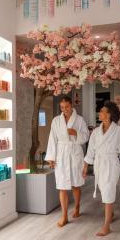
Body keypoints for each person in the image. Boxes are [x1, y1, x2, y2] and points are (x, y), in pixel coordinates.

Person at [82, 101, 120, 237]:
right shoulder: (96, 132)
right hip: (99, 164)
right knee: (105, 191)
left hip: (111, 164)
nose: (100, 113)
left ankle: (106, 225)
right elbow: (90, 150)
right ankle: (111, 213)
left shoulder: (118, 131)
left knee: (109, 191)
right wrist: (86, 165)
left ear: (109, 114)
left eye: (102, 111)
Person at [45, 96, 89, 227]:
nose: (65, 110)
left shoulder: (80, 120)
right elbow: (52, 139)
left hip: (74, 153)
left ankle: (76, 206)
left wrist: (75, 132)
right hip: (61, 154)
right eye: (62, 108)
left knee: (76, 184)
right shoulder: (56, 121)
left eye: (67, 107)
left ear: (71, 106)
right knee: (62, 186)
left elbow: (86, 136)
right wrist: (51, 158)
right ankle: (64, 215)